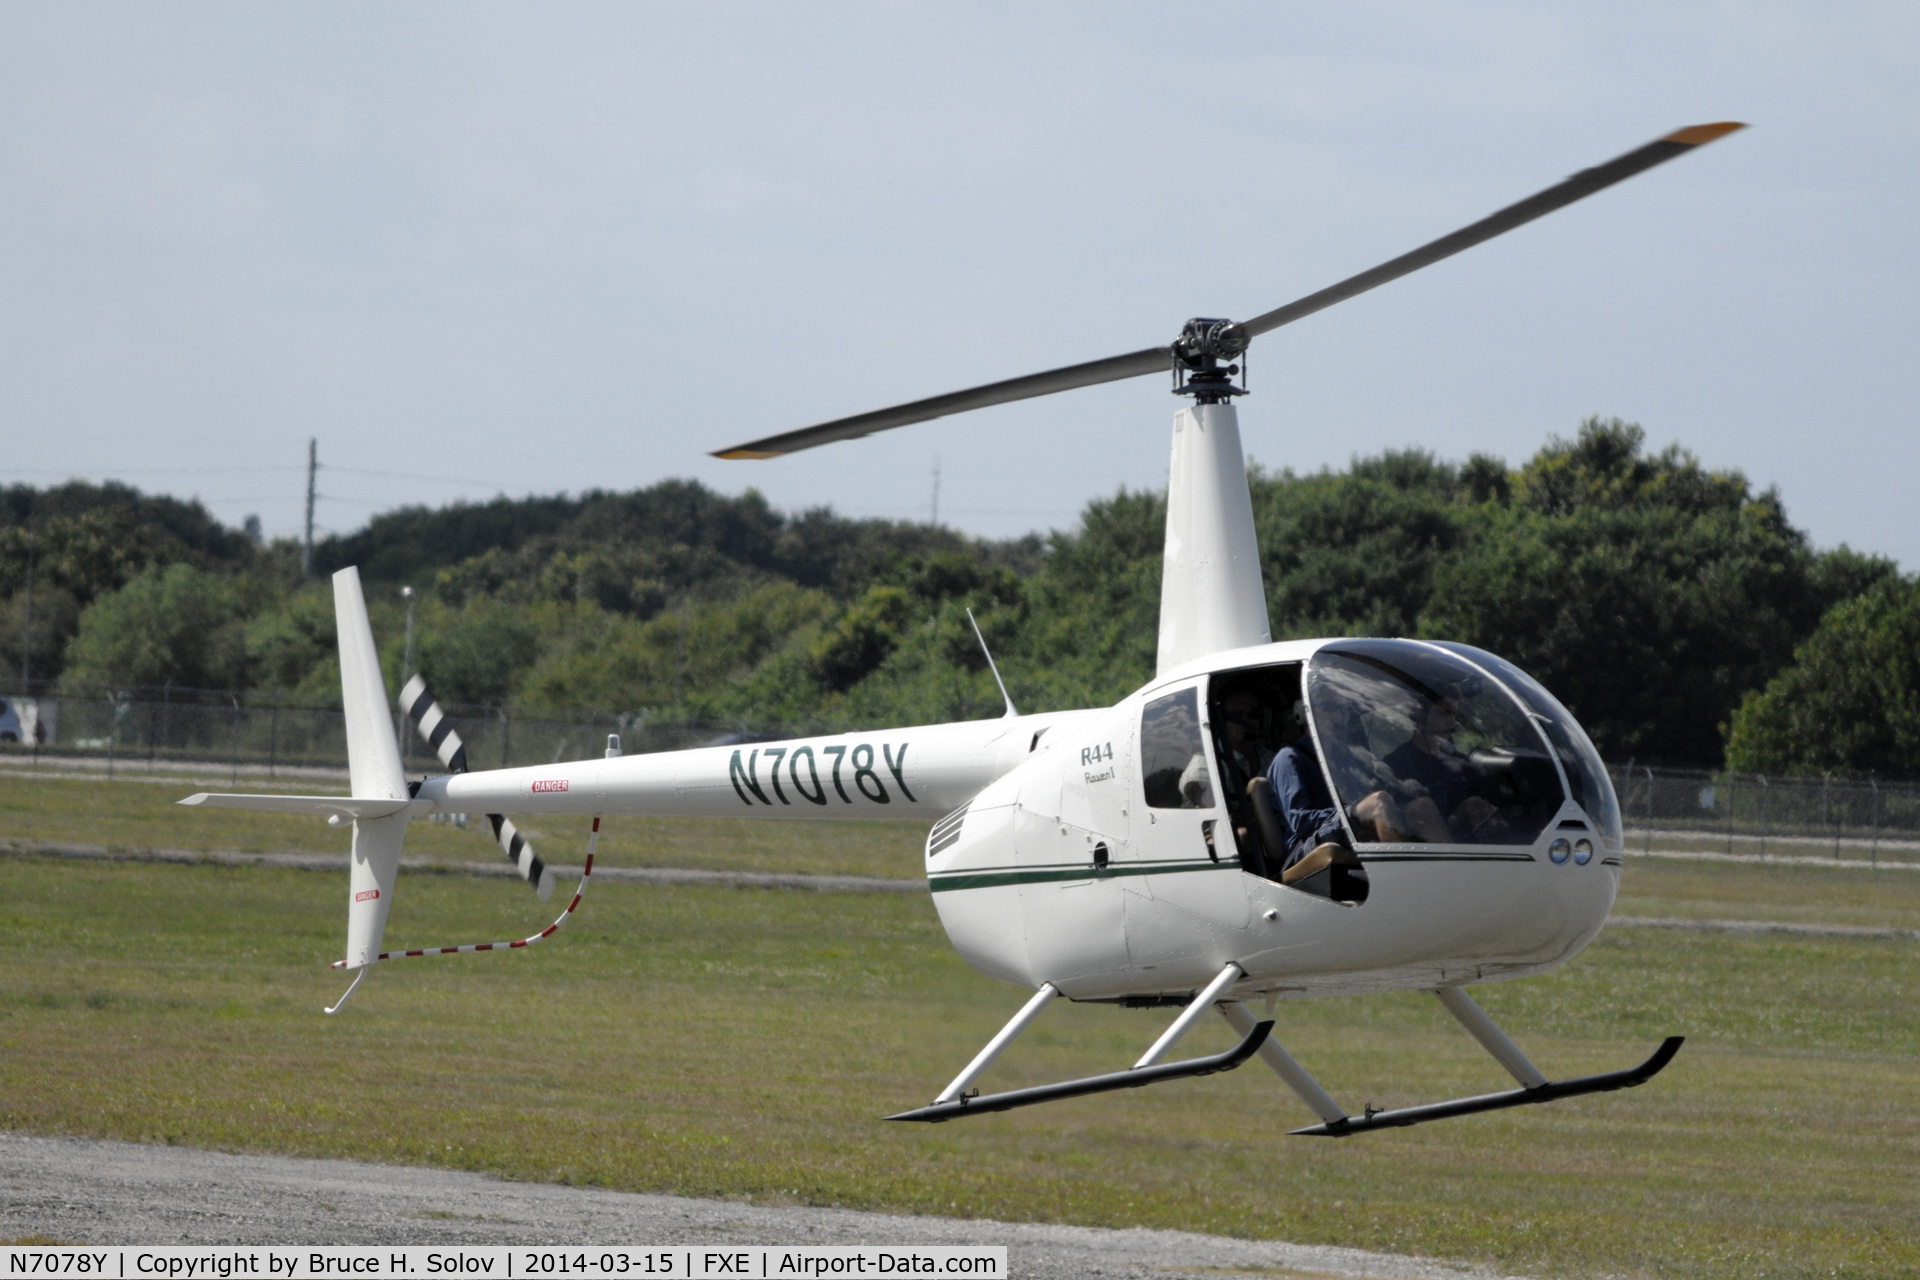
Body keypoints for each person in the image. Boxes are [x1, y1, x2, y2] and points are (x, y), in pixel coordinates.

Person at [1380, 696, 1497, 843]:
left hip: (1458, 836)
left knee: (1476, 804)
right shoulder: (1395, 763)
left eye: (1454, 715)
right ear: (1420, 717)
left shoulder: (1462, 764)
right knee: (1423, 807)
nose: (1451, 722)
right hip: (1416, 847)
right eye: (1443, 713)